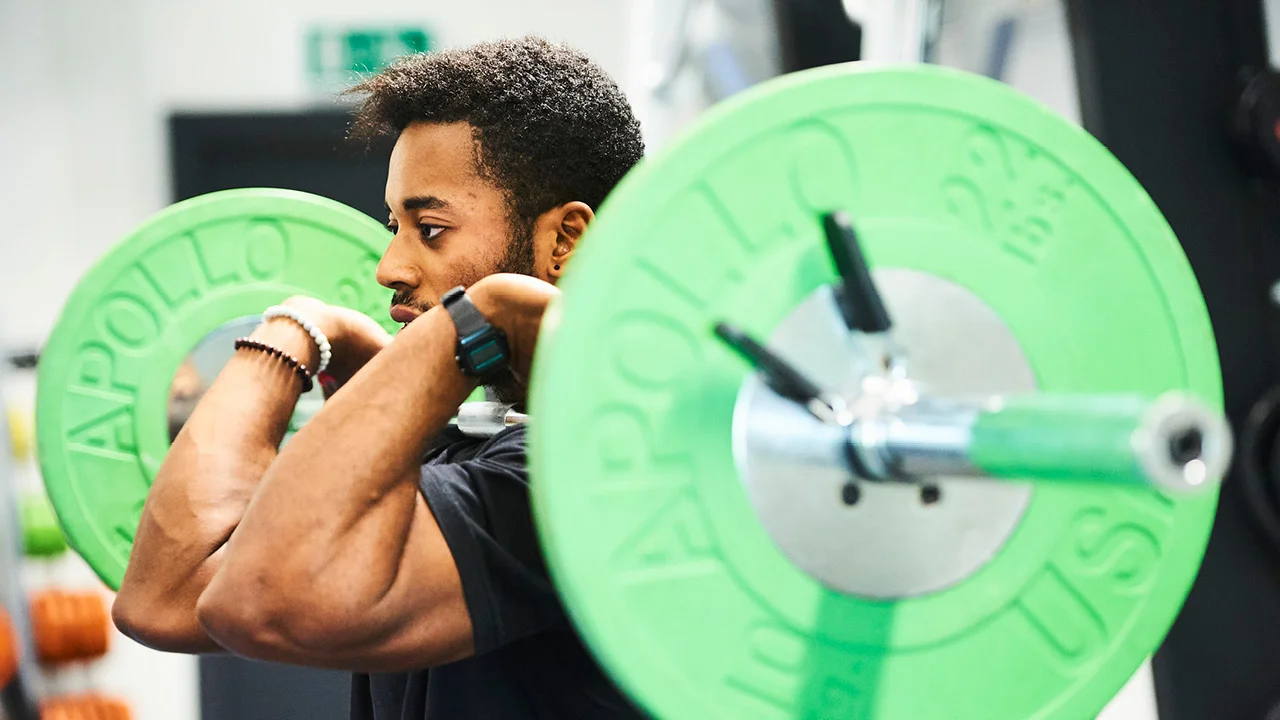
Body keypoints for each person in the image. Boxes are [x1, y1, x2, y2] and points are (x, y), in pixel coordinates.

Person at [111, 36, 647, 719]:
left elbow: (246, 603)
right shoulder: (480, 447)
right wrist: (304, 330)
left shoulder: (591, 473)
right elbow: (166, 596)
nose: (388, 265)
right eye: (394, 224)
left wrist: (477, 316)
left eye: (429, 228)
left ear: (565, 239)